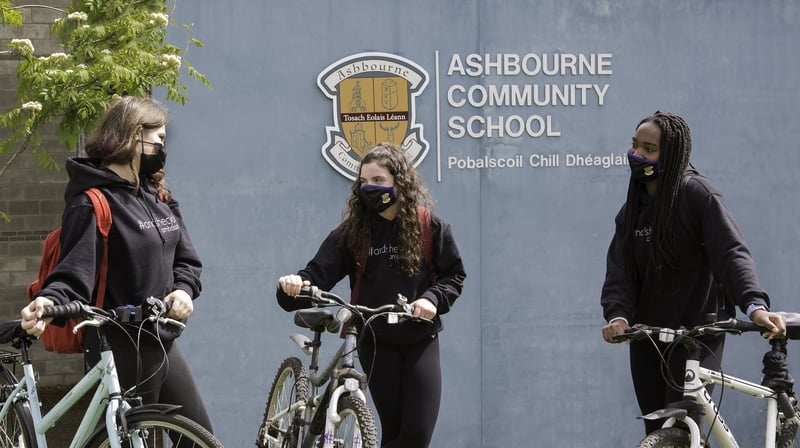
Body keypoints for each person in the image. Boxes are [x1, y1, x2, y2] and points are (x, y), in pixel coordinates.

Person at [20, 96, 213, 433]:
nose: (163, 148)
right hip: (116, 340)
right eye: (159, 139)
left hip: (160, 337)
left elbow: (187, 259)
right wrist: (49, 301)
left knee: (198, 436)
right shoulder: (92, 202)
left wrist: (183, 290)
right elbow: (74, 270)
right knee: (125, 438)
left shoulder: (158, 196)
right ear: (135, 136)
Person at [600, 111, 787, 434]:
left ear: (671, 154)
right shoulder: (633, 210)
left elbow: (730, 253)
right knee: (658, 433)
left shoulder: (698, 194)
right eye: (634, 146)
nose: (637, 155)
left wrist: (754, 305)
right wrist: (618, 316)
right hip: (650, 336)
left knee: (685, 428)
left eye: (648, 149)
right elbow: (621, 271)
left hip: (698, 333)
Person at [276, 142, 466, 448]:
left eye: (378, 180)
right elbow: (315, 276)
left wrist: (432, 299)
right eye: (364, 181)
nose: (369, 187)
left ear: (399, 182)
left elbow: (453, 276)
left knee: (416, 435)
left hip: (421, 339)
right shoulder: (352, 233)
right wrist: (293, 284)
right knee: (393, 433)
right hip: (375, 342)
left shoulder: (430, 226)